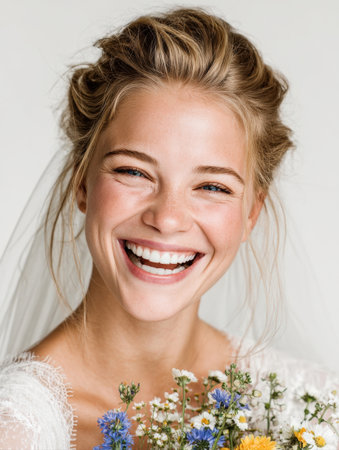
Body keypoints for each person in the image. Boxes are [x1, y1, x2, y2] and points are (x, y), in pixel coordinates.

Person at [0, 7, 338, 449]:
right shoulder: (16, 432)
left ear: (252, 212)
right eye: (134, 172)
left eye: (213, 186)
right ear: (82, 182)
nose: (167, 218)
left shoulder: (312, 410)